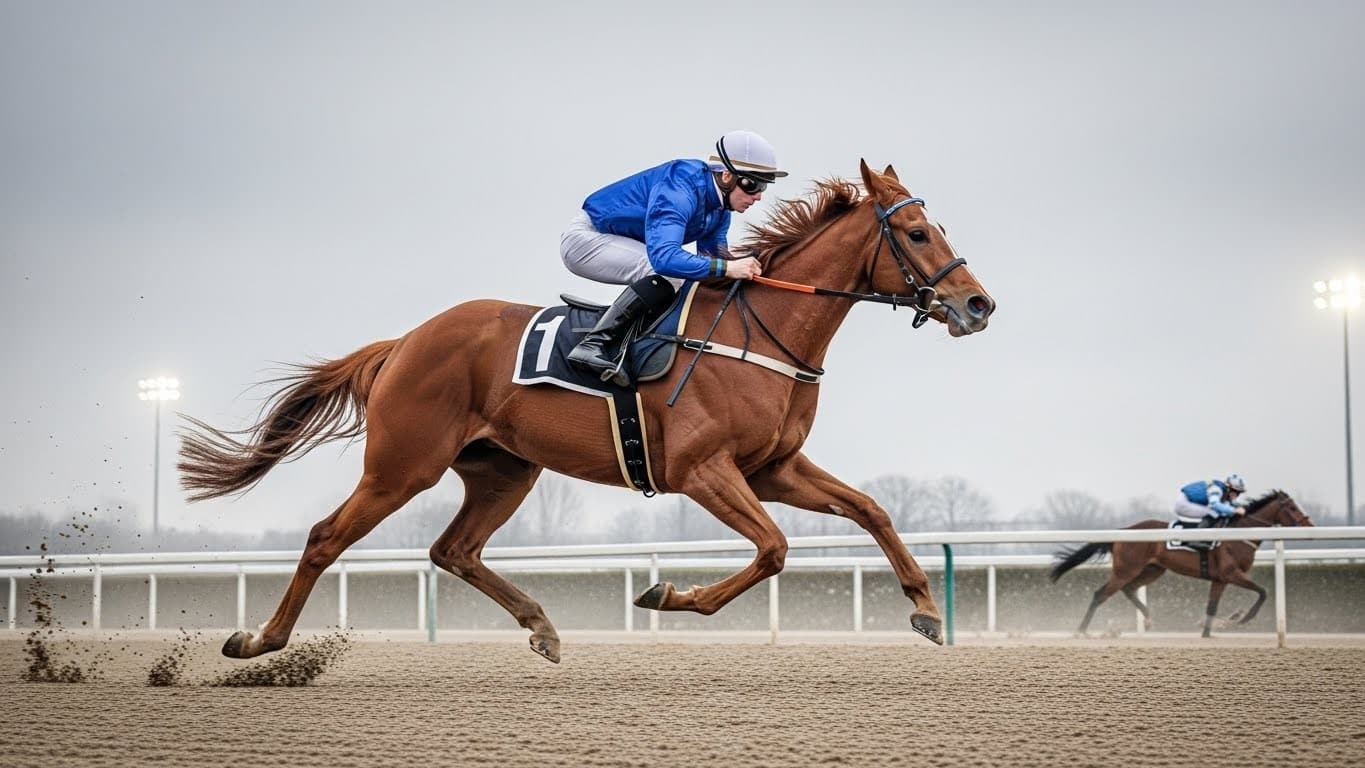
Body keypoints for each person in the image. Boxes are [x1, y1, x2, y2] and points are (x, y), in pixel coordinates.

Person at [559, 130, 788, 385]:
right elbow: (665, 258)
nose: (758, 195)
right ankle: (592, 344)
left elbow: (711, 264)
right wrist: (728, 267)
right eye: (752, 184)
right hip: (587, 239)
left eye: (764, 186)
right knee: (669, 273)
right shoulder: (680, 185)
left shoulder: (720, 210)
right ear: (726, 176)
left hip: (624, 244)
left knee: (692, 278)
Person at [1174, 474, 1247, 550]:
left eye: (1239, 493)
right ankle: (1194, 539)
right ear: (1228, 489)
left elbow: (1230, 504)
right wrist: (1234, 510)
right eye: (1235, 492)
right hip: (1183, 503)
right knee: (1214, 512)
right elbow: (1215, 505)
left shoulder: (1223, 491)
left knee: (1221, 511)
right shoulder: (1217, 489)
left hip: (1188, 502)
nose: (1236, 495)